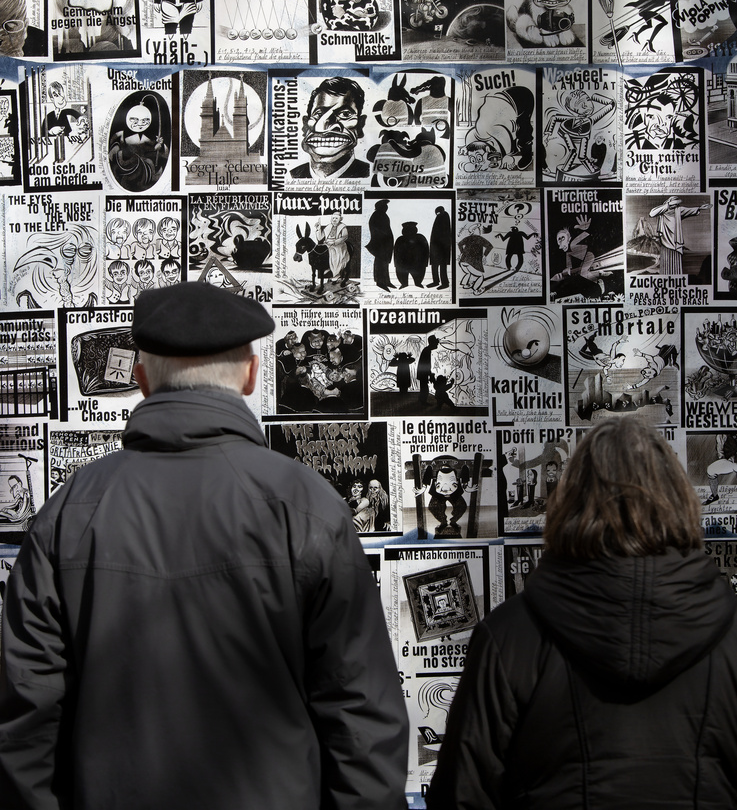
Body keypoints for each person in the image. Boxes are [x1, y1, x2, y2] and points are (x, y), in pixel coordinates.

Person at [0, 282, 409, 810]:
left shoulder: (70, 511)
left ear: (142, 379)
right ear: (251, 373)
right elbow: (360, 713)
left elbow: (25, 720)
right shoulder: (306, 507)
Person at [427, 415, 737, 810]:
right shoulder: (730, 633)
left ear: (569, 502)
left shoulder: (508, 637)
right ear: (680, 501)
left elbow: (461, 796)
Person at [290, 77, 370, 180]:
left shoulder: (369, 174)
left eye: (345, 114)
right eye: (318, 114)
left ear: (360, 125)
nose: (323, 127)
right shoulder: (292, 175)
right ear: (305, 125)